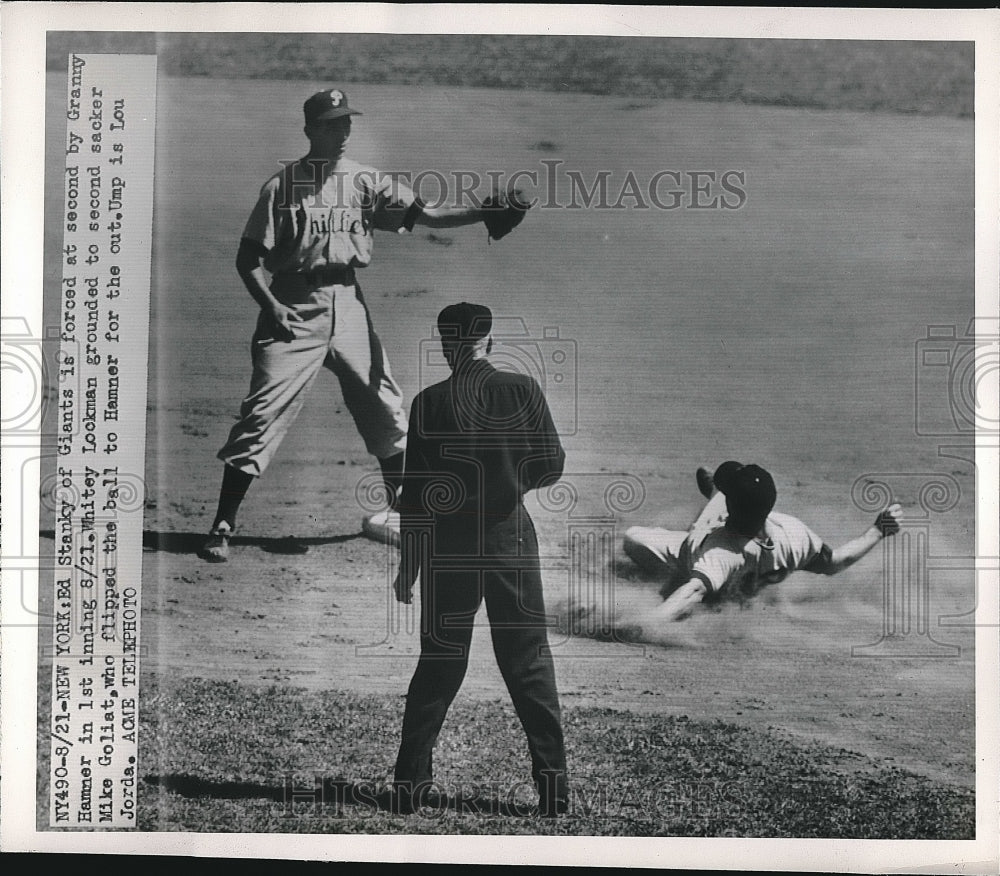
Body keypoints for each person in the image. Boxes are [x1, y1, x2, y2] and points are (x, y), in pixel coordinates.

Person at [200, 88, 503, 562]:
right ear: (309, 130)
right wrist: (273, 307)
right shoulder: (281, 187)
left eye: (346, 123)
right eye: (331, 124)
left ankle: (402, 509)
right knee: (263, 412)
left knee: (383, 401)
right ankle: (223, 522)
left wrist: (482, 213)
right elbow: (248, 259)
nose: (342, 132)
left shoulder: (364, 181)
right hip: (293, 305)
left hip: (349, 302)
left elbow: (428, 216)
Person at [391, 302, 569, 817]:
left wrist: (409, 567)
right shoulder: (522, 390)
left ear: (447, 346)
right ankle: (554, 791)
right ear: (488, 340)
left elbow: (418, 498)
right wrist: (511, 483)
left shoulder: (428, 404)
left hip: (449, 545)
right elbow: (551, 466)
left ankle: (408, 786)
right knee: (528, 661)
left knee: (439, 663)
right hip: (508, 537)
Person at [622, 461, 903, 623]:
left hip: (692, 556)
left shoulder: (721, 552)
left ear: (732, 505)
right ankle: (717, 490)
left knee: (632, 538)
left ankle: (716, 491)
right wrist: (878, 531)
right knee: (723, 495)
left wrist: (648, 622)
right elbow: (835, 562)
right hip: (749, 565)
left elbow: (692, 593)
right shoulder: (793, 533)